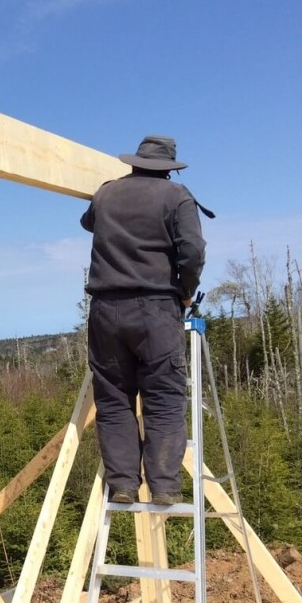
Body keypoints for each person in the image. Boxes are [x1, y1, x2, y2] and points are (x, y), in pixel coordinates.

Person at [81, 135, 208, 505]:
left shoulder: (106, 193)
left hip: (106, 310)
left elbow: (91, 222)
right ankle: (165, 486)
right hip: (156, 307)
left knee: (115, 397)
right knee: (164, 398)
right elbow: (193, 251)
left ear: (134, 163)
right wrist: (186, 290)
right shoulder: (177, 197)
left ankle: (122, 484)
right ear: (168, 168)